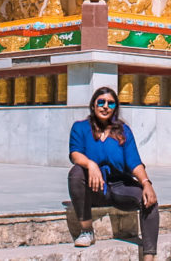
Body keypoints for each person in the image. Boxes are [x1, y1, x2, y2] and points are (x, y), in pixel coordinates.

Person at [68, 86, 159, 259]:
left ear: (115, 108)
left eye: (110, 103)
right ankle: (87, 231)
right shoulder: (80, 128)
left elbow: (134, 163)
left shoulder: (123, 131)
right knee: (76, 173)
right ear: (93, 105)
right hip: (93, 187)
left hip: (119, 187)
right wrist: (91, 165)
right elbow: (75, 154)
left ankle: (149, 256)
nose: (105, 106)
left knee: (149, 199)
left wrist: (147, 183)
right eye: (101, 102)